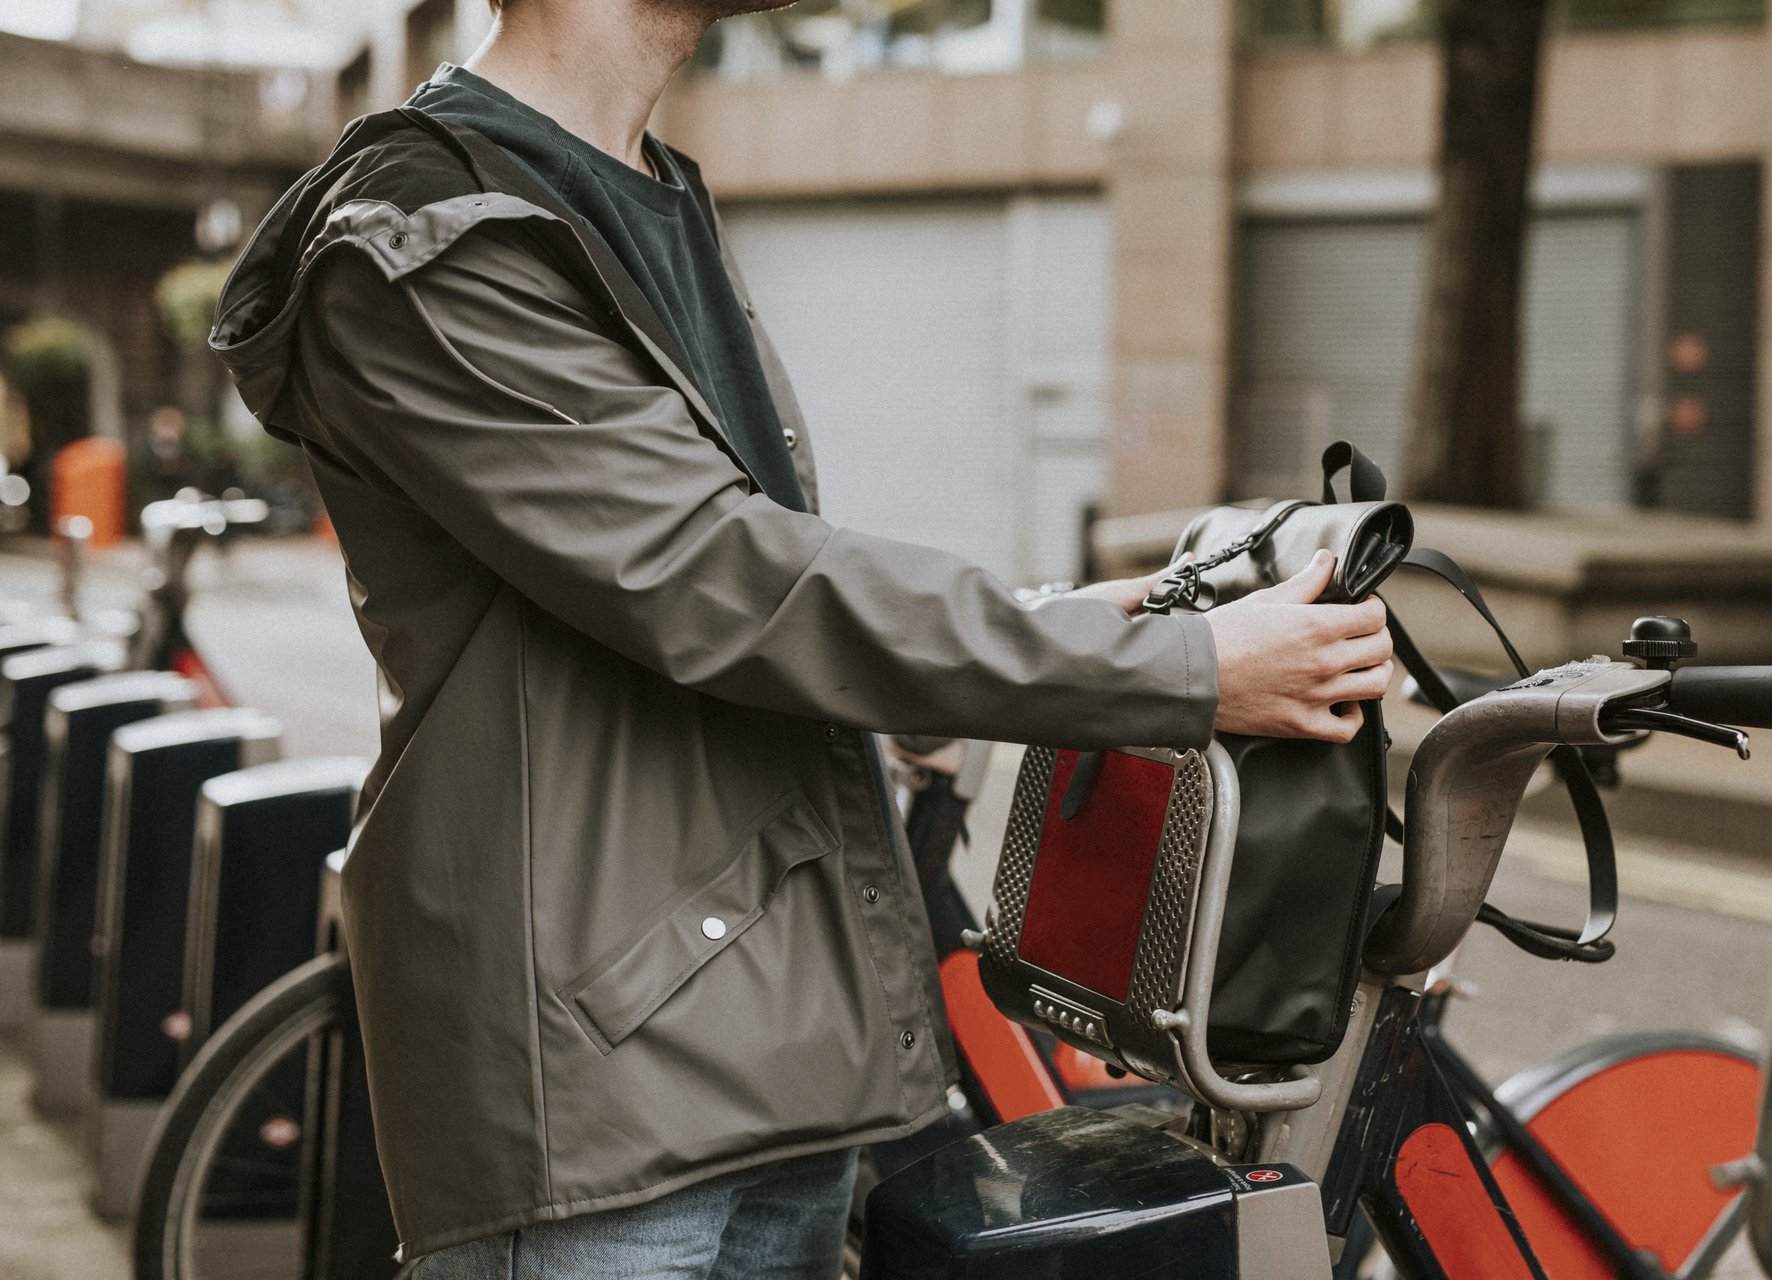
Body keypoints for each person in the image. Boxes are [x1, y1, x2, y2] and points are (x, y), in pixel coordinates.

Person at [208, 1, 1393, 1275]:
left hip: (761, 1053)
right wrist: (1186, 672)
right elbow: (714, 577)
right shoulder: (425, 239)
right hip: (601, 1094)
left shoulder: (640, 194)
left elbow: (743, 568)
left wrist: (1074, 623)